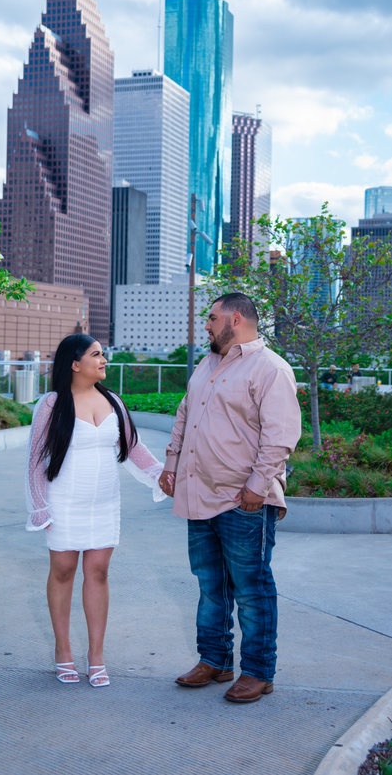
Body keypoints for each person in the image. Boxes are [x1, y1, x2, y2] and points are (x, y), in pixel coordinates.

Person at [158, 293, 301, 704]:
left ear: (235, 319)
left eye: (212, 317)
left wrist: (258, 487)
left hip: (244, 501)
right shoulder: (207, 364)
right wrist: (172, 463)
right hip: (199, 493)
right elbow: (186, 414)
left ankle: (258, 671)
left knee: (252, 588)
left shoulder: (271, 369)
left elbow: (280, 436)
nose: (206, 324)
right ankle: (216, 661)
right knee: (210, 585)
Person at [26, 333, 164, 687]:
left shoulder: (113, 401)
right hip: (64, 501)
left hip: (104, 502)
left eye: (103, 355)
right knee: (63, 569)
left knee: (98, 572)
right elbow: (35, 462)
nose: (104, 361)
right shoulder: (52, 404)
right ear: (75, 364)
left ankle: (97, 655)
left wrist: (164, 478)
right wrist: (40, 508)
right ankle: (63, 650)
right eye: (96, 355)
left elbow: (134, 448)